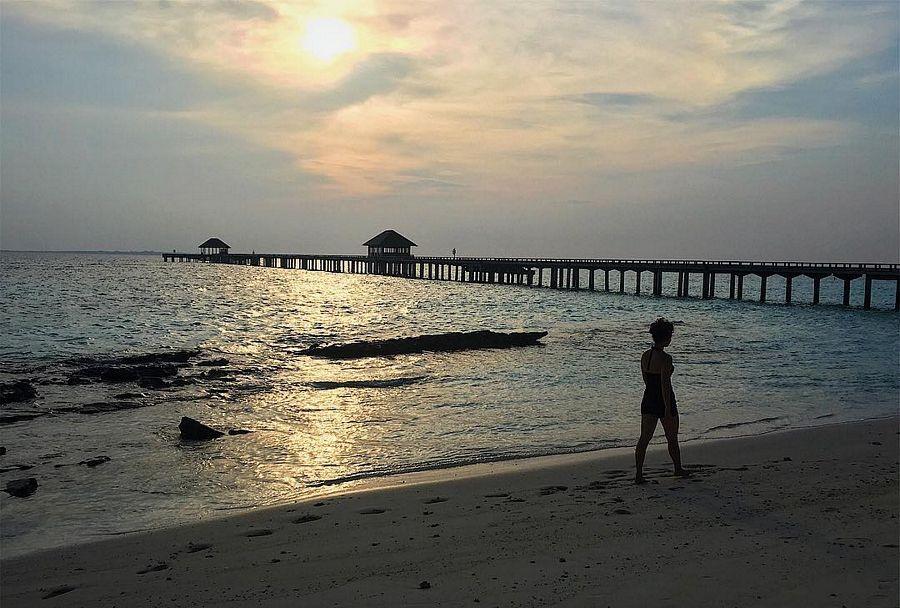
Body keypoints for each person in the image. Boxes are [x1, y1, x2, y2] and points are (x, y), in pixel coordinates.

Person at [635, 317, 689, 483]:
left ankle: (639, 474)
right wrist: (667, 408)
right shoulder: (666, 359)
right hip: (664, 400)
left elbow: (646, 380)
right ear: (666, 337)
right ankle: (677, 468)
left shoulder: (645, 355)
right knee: (672, 438)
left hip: (649, 398)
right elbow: (665, 384)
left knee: (644, 438)